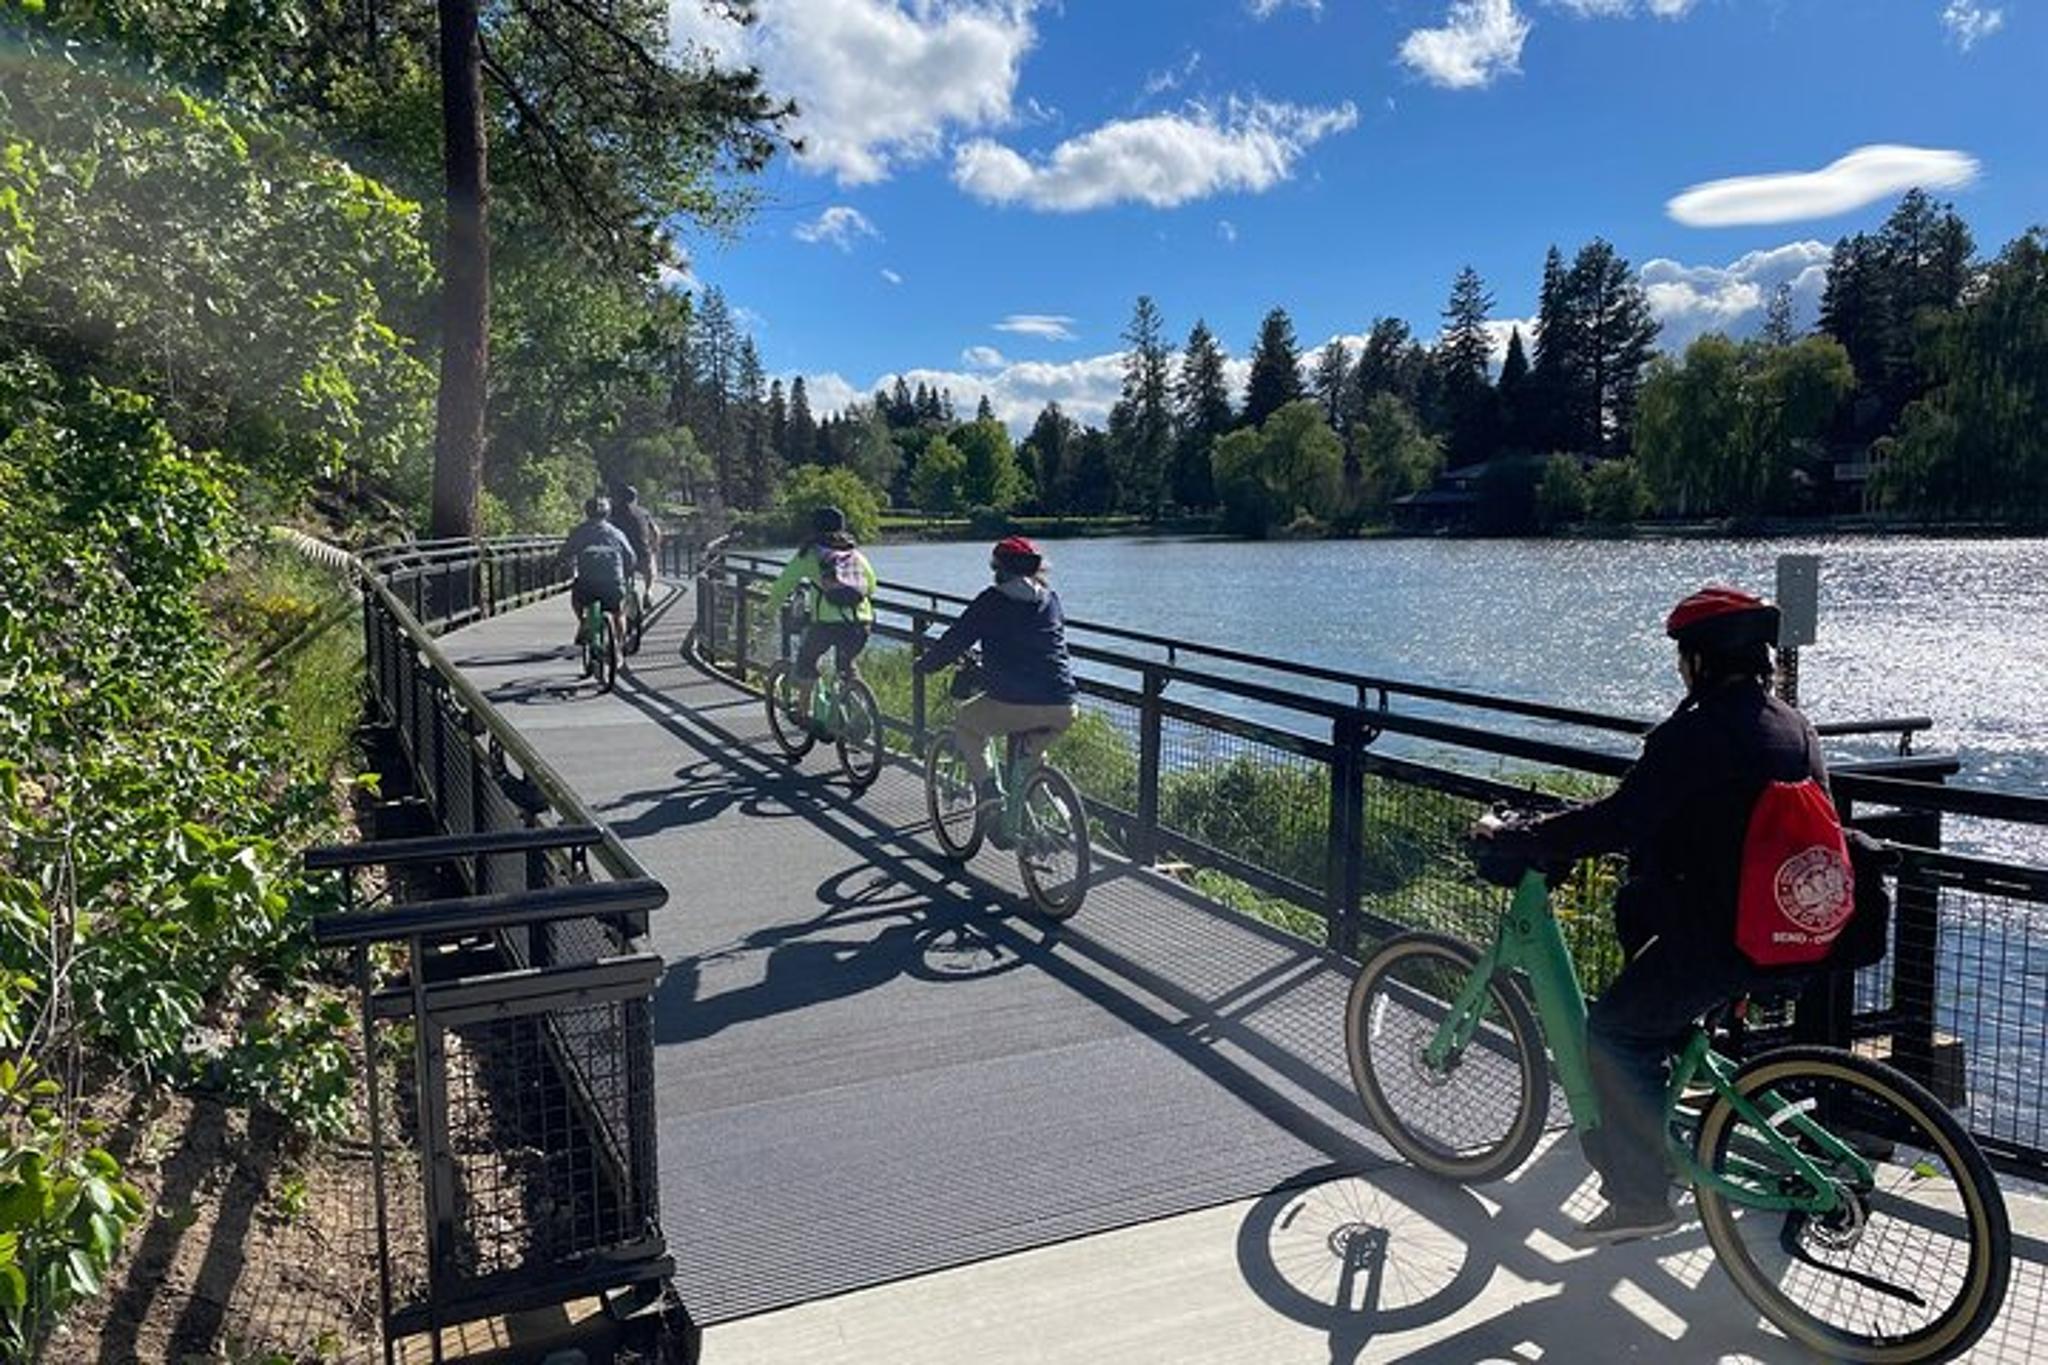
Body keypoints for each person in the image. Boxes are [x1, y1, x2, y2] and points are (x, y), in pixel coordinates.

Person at [1476, 585, 1828, 1246]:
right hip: (1796, 928)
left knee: (1613, 1032)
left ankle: (1640, 1198)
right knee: (1657, 1017)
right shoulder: (1795, 726)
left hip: (1723, 937)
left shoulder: (1694, 733)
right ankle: (1674, 1130)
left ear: (1698, 660)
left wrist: (1532, 837)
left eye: (1682, 656)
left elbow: (1622, 818)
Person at [913, 536, 1079, 847]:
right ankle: (1036, 824)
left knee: (966, 721)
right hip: (1064, 703)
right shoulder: (1050, 599)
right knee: (1031, 755)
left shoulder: (991, 601)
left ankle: (988, 794)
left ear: (998, 570)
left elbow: (955, 640)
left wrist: (924, 665)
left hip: (1014, 702)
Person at [764, 506, 877, 734]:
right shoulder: (855, 554)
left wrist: (767, 610)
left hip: (827, 625)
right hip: (860, 623)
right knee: (846, 667)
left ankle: (806, 716)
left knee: (806, 661)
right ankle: (861, 711)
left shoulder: (810, 553)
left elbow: (783, 585)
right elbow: (872, 585)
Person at [559, 496, 636, 656]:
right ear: (607, 513)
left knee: (577, 599)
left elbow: (565, 553)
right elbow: (630, 556)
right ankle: (620, 647)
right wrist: (627, 572)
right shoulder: (616, 533)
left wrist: (558, 563)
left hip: (587, 584)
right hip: (613, 583)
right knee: (618, 613)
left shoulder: (579, 531)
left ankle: (584, 623)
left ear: (587, 513)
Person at [608, 483, 660, 607]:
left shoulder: (613, 513)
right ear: (635, 498)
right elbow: (656, 532)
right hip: (642, 552)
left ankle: (625, 593)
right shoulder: (643, 512)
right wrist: (654, 546)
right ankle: (648, 592)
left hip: (621, 555)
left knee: (623, 574)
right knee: (651, 568)